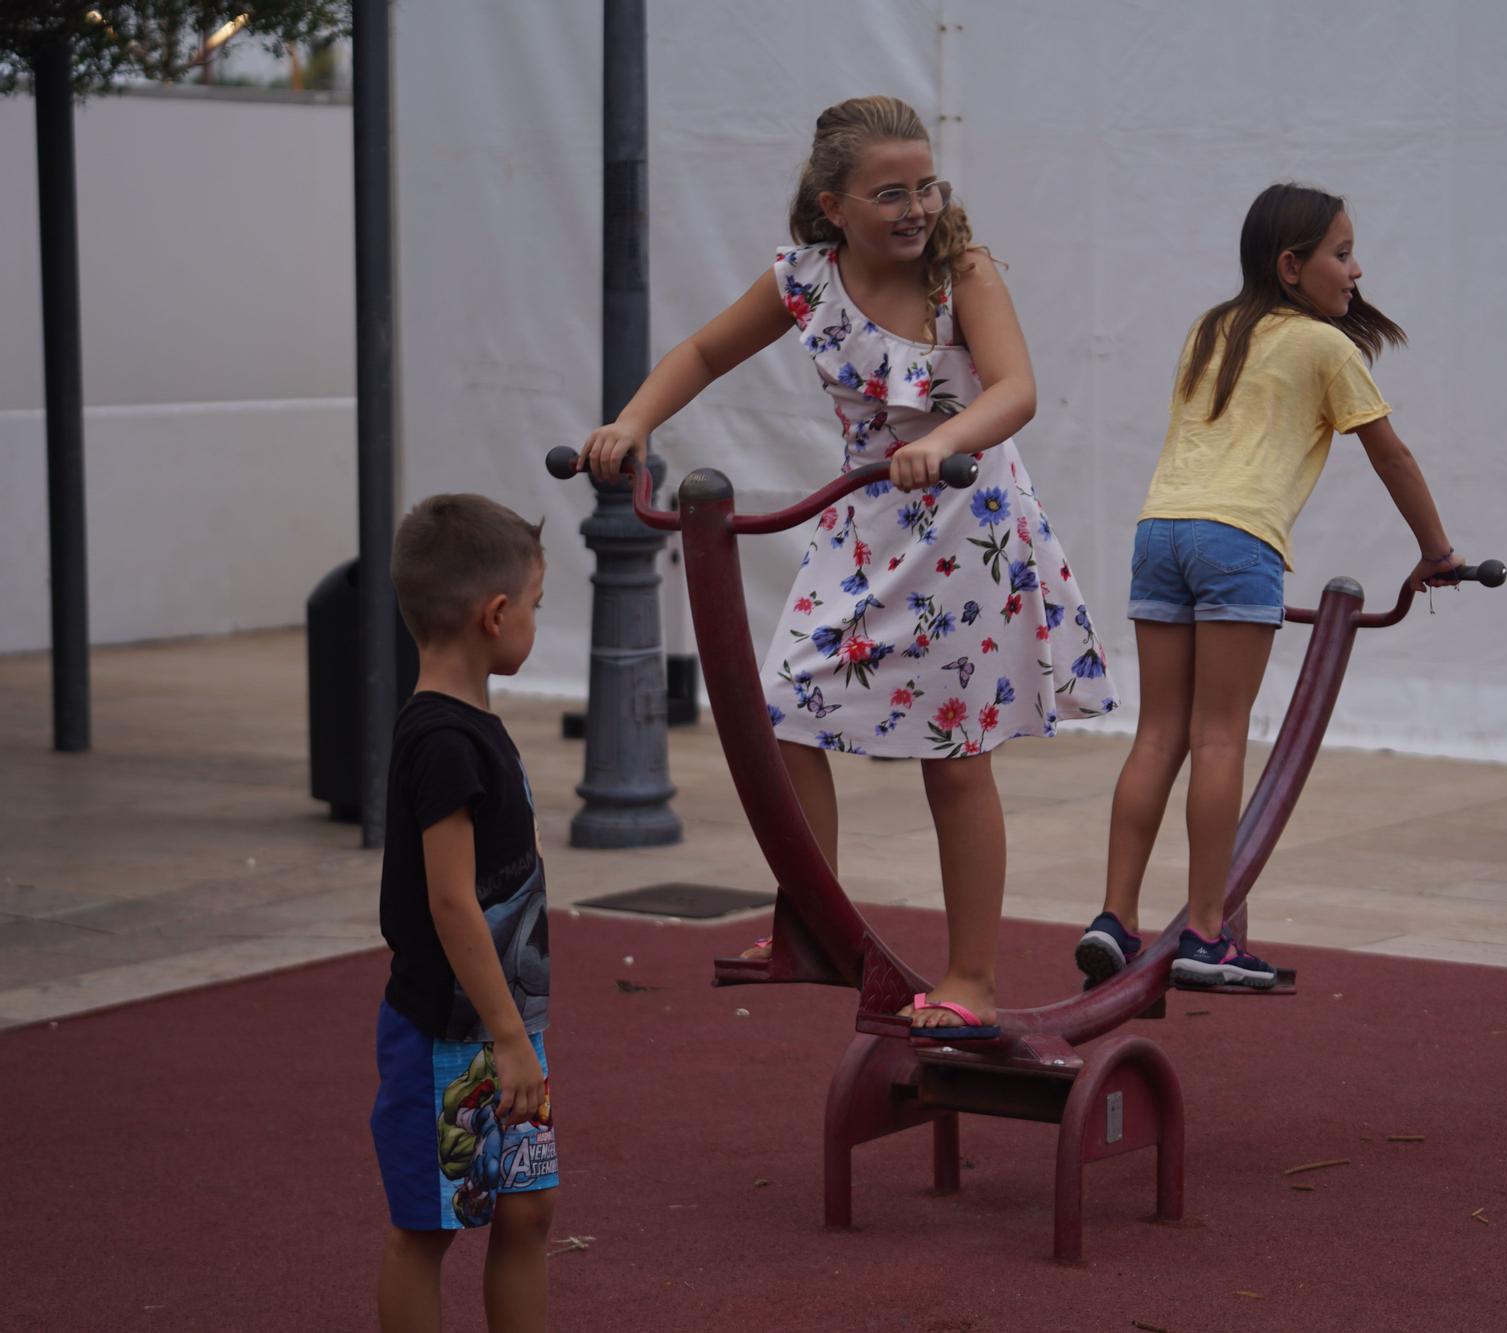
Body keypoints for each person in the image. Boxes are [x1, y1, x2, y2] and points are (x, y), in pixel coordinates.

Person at [576, 95, 1116, 1038]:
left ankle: (972, 978)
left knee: (951, 758)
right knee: (782, 704)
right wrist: (634, 419)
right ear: (833, 206)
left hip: (966, 519)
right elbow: (703, 350)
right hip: (865, 521)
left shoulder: (963, 272)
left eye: (926, 185)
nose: (916, 207)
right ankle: (814, 927)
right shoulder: (804, 279)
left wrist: (941, 438)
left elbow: (1018, 389)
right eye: (890, 193)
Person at [1072, 182, 1457, 991]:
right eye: (1341, 253)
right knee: (1218, 737)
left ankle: (1114, 915)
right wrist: (1438, 552)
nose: (1357, 270)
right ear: (1292, 266)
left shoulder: (1211, 329)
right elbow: (1393, 455)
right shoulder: (1327, 348)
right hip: (1238, 538)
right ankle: (1206, 935)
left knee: (1157, 736)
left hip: (1160, 531)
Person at [371, 494, 559, 1333]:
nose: (534, 622)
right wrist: (507, 1034)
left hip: (503, 1027)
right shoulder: (442, 740)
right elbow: (451, 900)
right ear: (495, 614)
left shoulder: (471, 724)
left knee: (527, 1213)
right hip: (454, 1033)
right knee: (431, 1228)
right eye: (535, 606)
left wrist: (515, 1032)